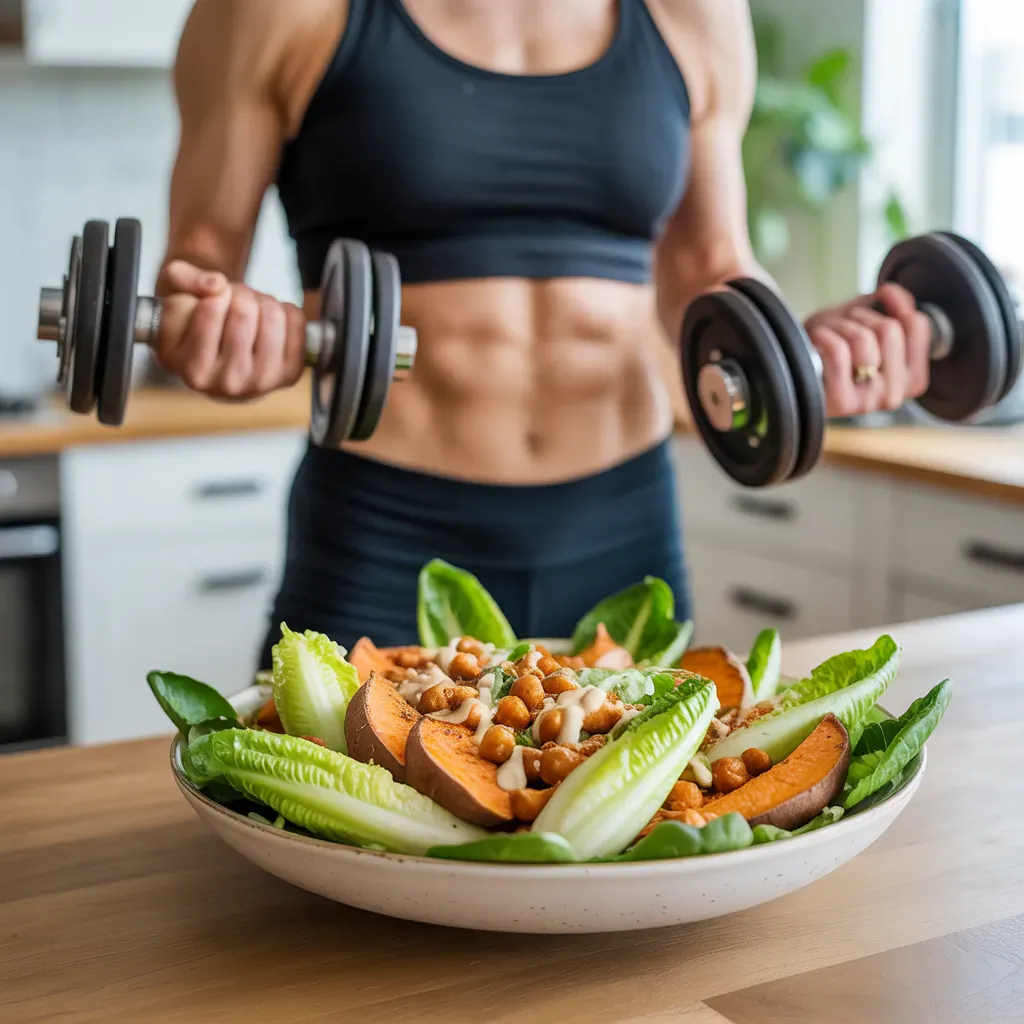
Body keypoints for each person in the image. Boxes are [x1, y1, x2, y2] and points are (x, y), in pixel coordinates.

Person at [152, 0, 932, 665]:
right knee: (321, 833)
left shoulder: (692, 12)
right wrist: (226, 328)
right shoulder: (276, 10)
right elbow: (193, 276)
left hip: (623, 534)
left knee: (645, 836)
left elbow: (709, 263)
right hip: (383, 535)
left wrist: (797, 353)